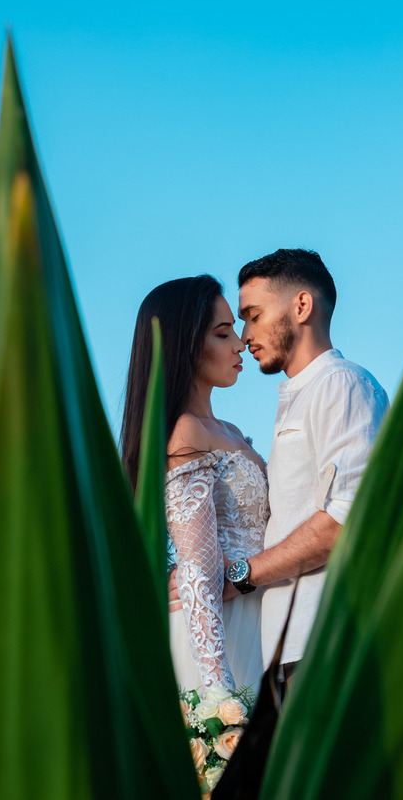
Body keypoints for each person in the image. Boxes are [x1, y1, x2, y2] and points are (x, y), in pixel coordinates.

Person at [224, 249, 388, 692]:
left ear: (301, 306)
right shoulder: (304, 393)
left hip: (322, 644)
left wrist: (241, 575)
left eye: (253, 316)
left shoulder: (341, 383)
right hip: (283, 648)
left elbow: (344, 520)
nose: (244, 336)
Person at [120, 275, 269, 694]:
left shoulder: (232, 431)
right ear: (185, 344)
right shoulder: (186, 433)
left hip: (261, 614)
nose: (240, 344)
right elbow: (199, 569)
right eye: (223, 334)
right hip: (226, 633)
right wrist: (218, 694)